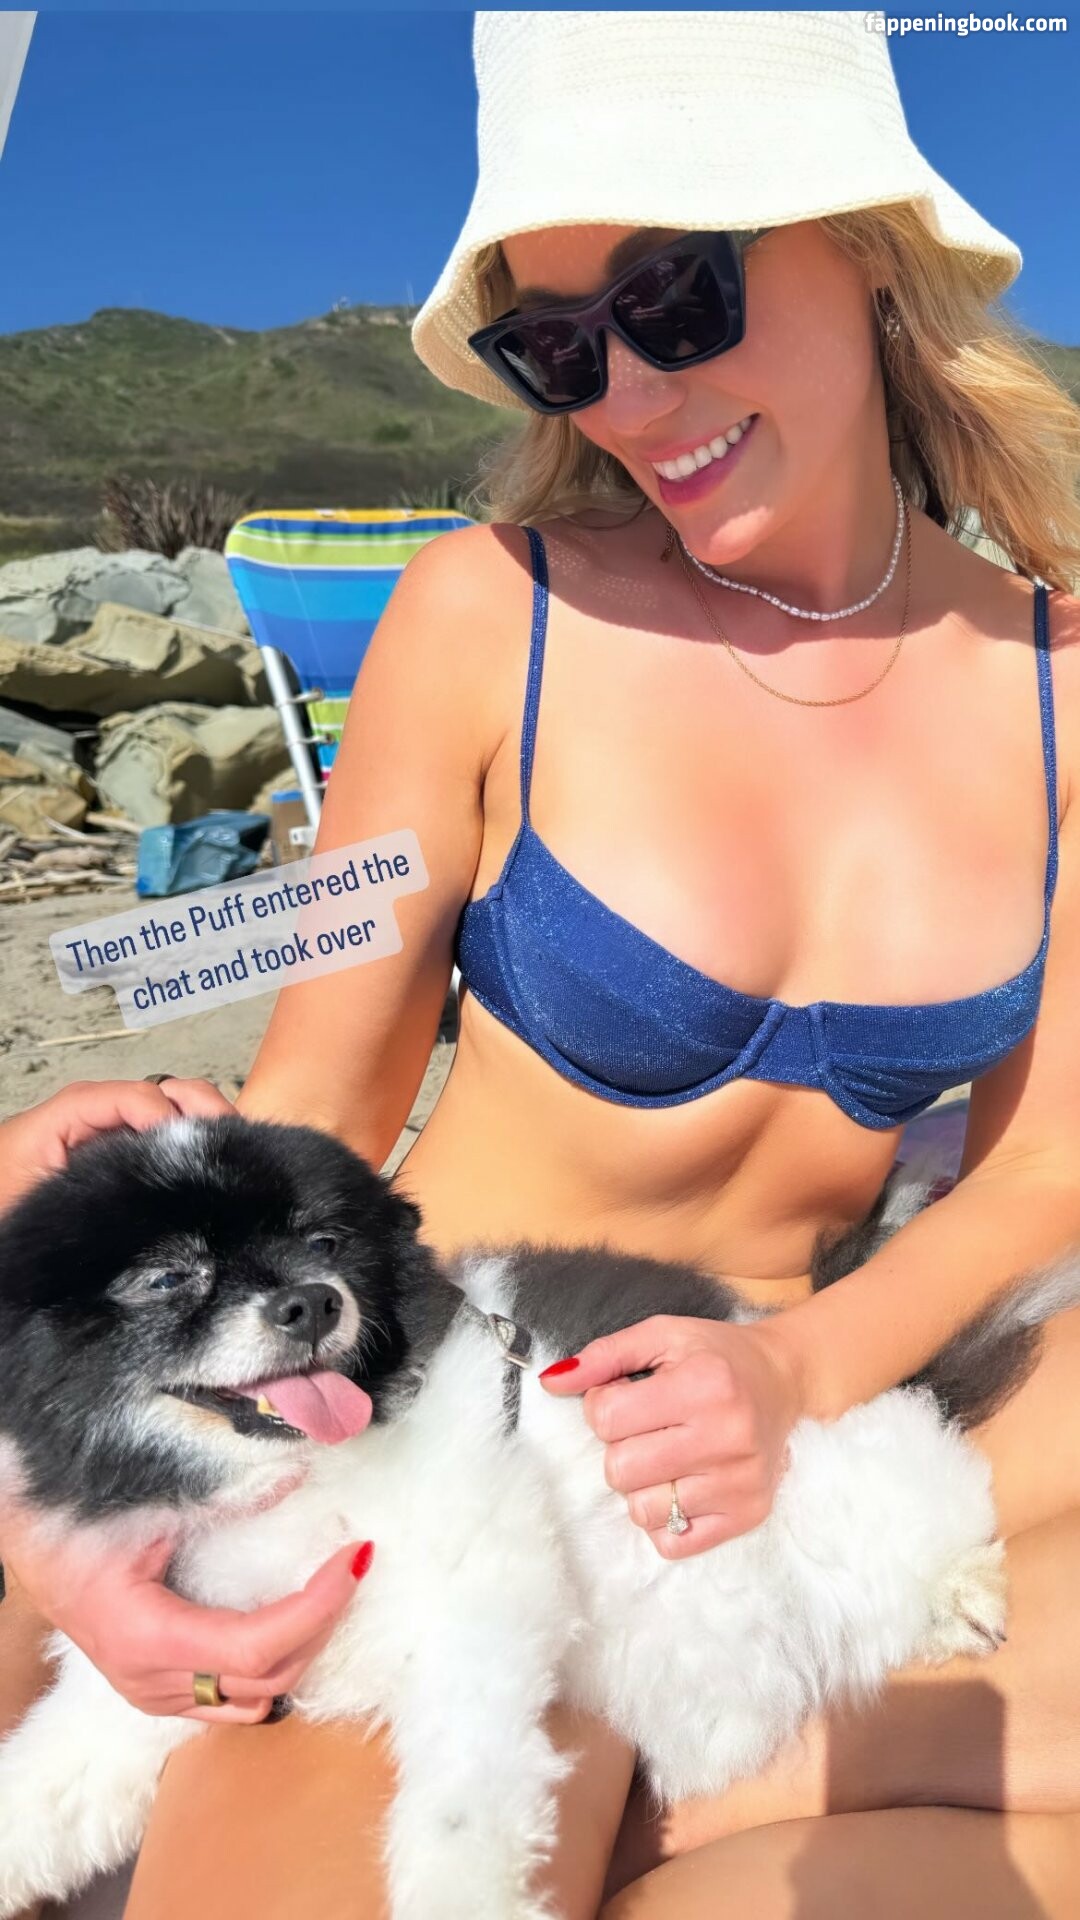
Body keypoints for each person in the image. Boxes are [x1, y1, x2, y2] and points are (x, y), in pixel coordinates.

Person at [4, 11, 1080, 1916]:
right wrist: (86, 1488)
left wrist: (798, 1369)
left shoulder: (1062, 687)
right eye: (560, 347)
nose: (633, 394)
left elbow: (1043, 1166)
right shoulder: (487, 616)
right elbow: (322, 1091)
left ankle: (692, 1792)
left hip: (785, 1405)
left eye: (677, 295)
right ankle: (726, 1789)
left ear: (866, 248)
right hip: (442, 1393)